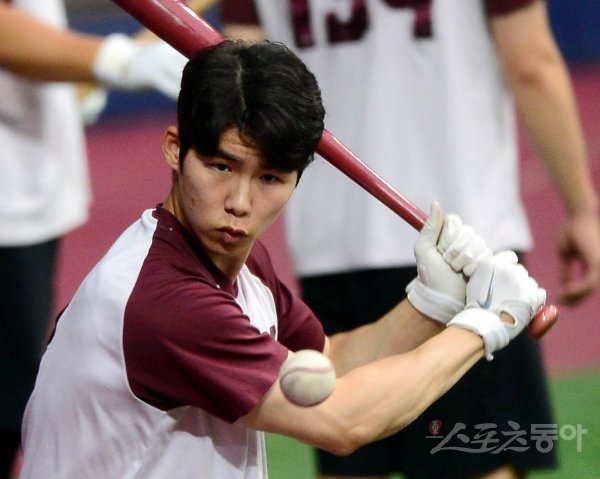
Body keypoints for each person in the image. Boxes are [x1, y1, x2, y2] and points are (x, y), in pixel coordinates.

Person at [19, 39, 547, 479]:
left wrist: (432, 304)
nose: (240, 203)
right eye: (221, 166)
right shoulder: (164, 302)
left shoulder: (236, 262)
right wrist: (485, 325)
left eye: (269, 177)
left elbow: (328, 361)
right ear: (175, 148)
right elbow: (343, 422)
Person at [221, 1, 600, 478]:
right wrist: (582, 210)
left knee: (348, 449)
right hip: (465, 244)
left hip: (331, 241)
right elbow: (531, 64)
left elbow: (241, 82)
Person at [0, 2, 187, 477]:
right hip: (8, 203)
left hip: (27, 192)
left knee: (10, 409)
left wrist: (64, 80)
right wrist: (111, 59)